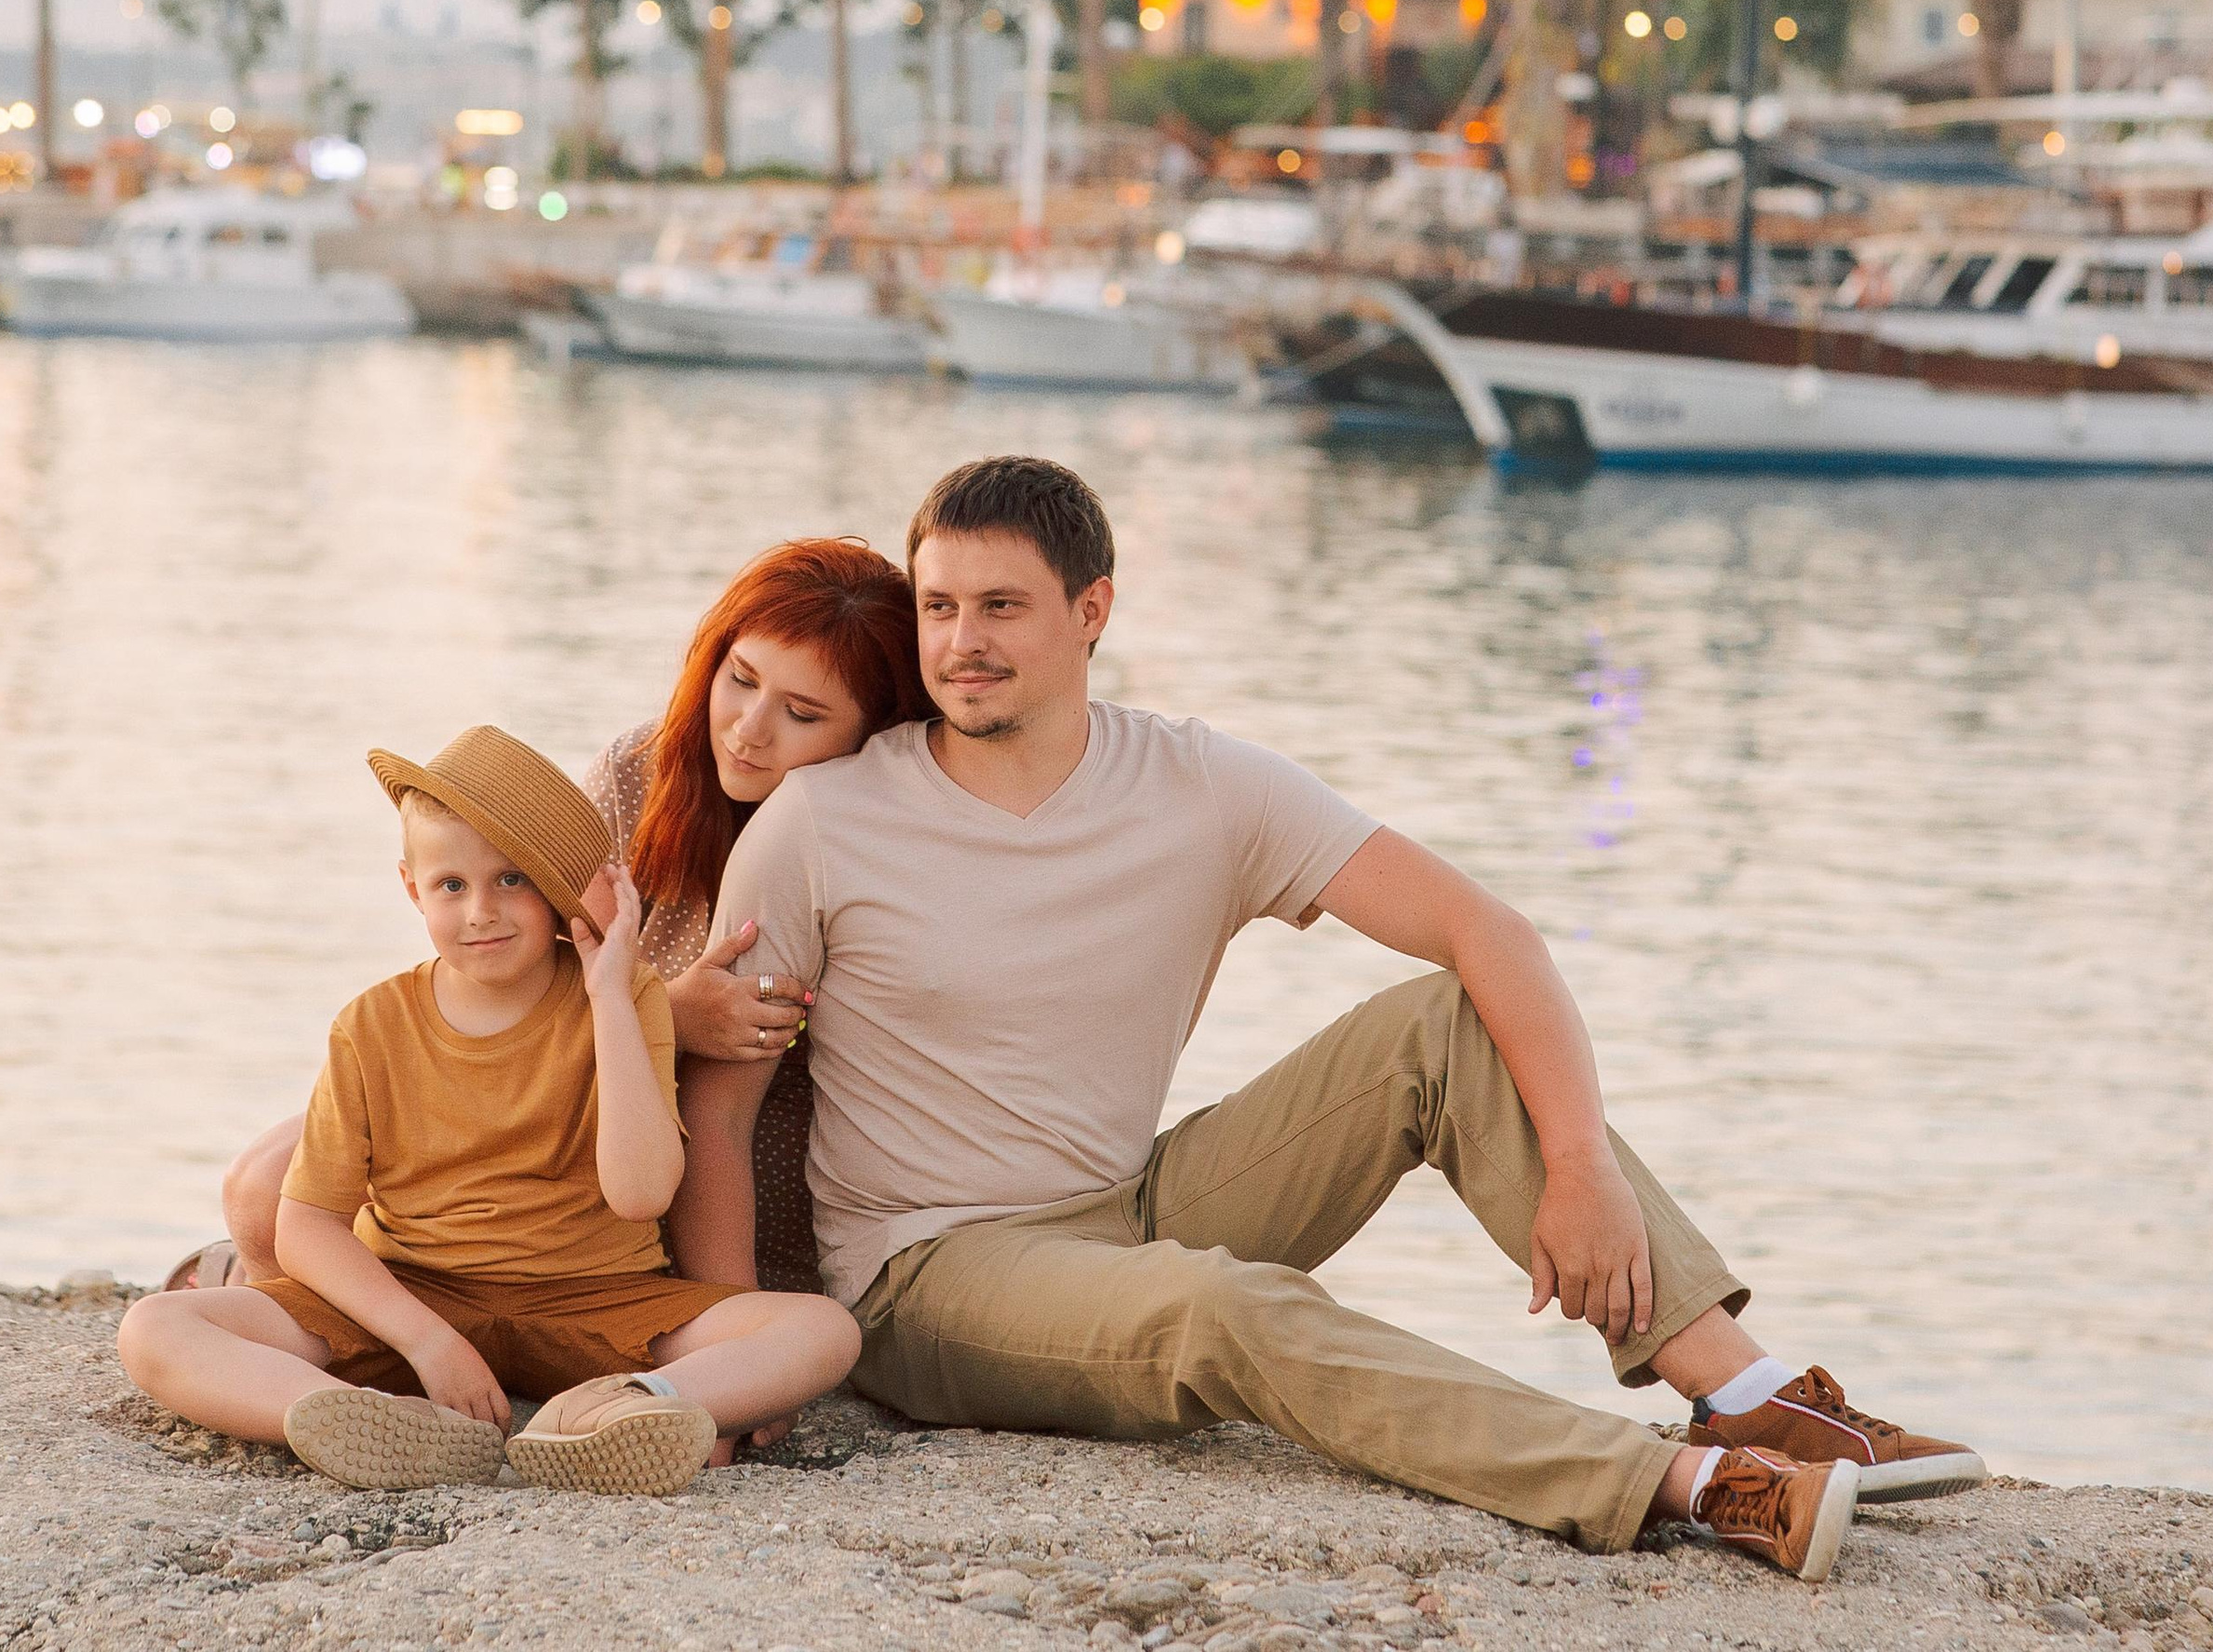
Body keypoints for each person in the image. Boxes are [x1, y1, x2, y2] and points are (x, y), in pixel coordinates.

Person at [675, 456, 1985, 1585]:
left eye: (1001, 608)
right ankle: (1686, 1487)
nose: (962, 642)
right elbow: (720, 1115)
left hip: (1127, 1206)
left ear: (1092, 612)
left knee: (1438, 1025)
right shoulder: (826, 824)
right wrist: (737, 1368)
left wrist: (1578, 1163)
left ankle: (1749, 1392)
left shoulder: (1199, 785)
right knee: (1223, 1309)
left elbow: (1489, 932)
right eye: (942, 607)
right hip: (932, 1277)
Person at [177, 537, 932, 1298]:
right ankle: (325, 1319)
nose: (748, 729)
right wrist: (665, 1018)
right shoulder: (639, 772)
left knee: (282, 1199)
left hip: (725, 1165)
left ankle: (303, 1297)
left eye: (801, 714)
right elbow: (506, 974)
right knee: (261, 1187)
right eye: (740, 680)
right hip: (550, 1109)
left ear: (872, 734)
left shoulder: (856, 840)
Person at [118, 727, 859, 1494]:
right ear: (412, 888)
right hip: (413, 1291)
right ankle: (355, 1417)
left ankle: (621, 1412)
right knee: (155, 1327)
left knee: (821, 1331)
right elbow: (306, 1224)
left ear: (555, 891)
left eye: (512, 881)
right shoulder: (371, 1025)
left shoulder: (622, 997)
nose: (481, 912)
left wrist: (609, 993)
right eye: (451, 886)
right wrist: (429, 1344)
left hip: (597, 1303)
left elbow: (640, 1193)